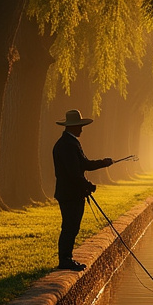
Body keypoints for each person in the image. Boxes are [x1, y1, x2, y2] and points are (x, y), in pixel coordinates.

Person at [53, 109, 113, 271]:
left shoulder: (70, 143)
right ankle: (65, 260)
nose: (81, 129)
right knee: (70, 227)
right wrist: (87, 186)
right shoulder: (67, 145)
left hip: (72, 192)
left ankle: (67, 258)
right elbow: (73, 173)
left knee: (72, 226)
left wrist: (105, 162)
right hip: (69, 194)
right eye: (79, 126)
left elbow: (84, 164)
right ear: (72, 127)